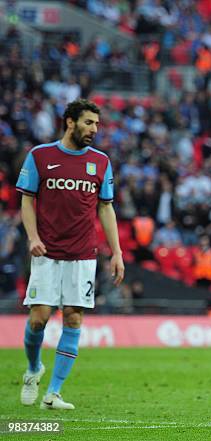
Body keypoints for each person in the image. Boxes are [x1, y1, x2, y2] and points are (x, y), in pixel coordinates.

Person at [16, 98, 124, 410]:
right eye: (88, 123)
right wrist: (32, 237)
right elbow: (26, 200)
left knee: (74, 318)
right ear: (70, 122)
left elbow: (106, 208)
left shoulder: (100, 162)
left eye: (97, 124)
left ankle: (53, 393)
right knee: (39, 318)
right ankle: (34, 368)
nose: (94, 129)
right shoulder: (41, 156)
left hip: (83, 255)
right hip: (47, 252)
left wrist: (116, 252)